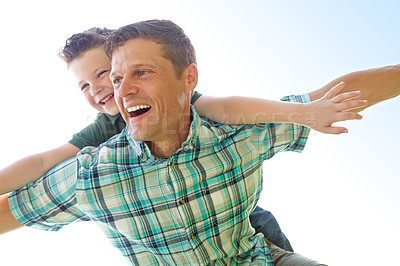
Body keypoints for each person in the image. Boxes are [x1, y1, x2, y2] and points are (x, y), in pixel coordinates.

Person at [1, 19, 399, 265]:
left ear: (186, 78)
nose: (105, 90)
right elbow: (40, 165)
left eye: (111, 74)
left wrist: (303, 112)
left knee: (262, 230)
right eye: (88, 85)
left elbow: (232, 107)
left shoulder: (212, 120)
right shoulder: (94, 164)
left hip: (244, 230)